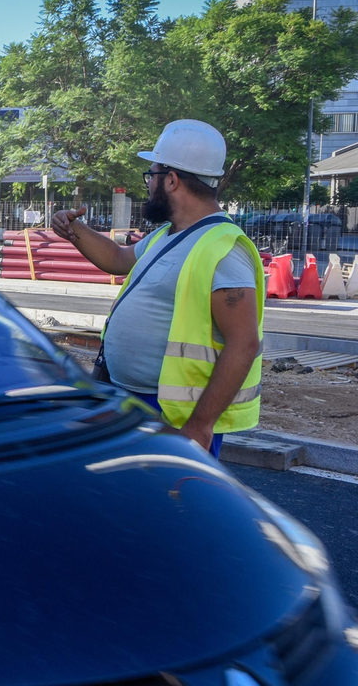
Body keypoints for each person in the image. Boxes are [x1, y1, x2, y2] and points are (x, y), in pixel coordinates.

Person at [51, 119, 263, 456]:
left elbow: (244, 343)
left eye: (152, 176)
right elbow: (119, 259)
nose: (148, 185)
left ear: (172, 180)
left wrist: (200, 425)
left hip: (175, 416)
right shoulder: (170, 235)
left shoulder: (223, 248)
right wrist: (73, 229)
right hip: (131, 399)